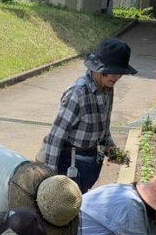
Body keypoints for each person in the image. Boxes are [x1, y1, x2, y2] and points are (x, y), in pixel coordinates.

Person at [39, 37, 138, 193]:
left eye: (121, 72)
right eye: (113, 71)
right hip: (69, 166)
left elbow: (103, 130)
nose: (117, 76)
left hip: (90, 163)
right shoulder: (77, 94)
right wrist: (50, 178)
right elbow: (55, 137)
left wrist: (113, 151)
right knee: (66, 210)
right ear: (99, 67)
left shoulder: (107, 89)